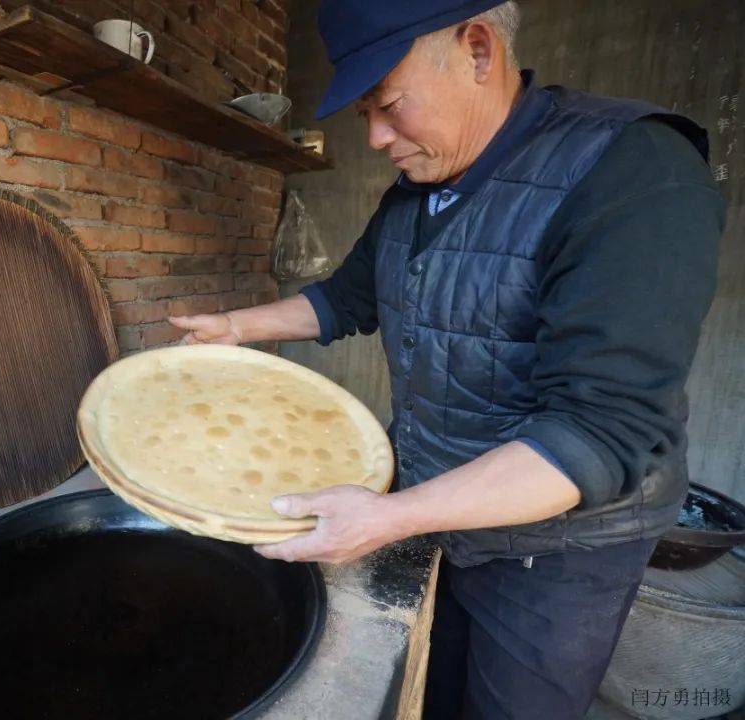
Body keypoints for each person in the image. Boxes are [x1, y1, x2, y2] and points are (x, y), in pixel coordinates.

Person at [166, 1, 726, 718]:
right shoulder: (418, 192)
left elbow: (598, 433)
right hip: (443, 508)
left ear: (478, 51)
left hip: (557, 553)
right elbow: (347, 298)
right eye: (366, 111)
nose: (373, 136)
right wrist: (234, 328)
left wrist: (389, 516)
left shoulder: (629, 171)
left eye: (389, 105)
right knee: (432, 682)